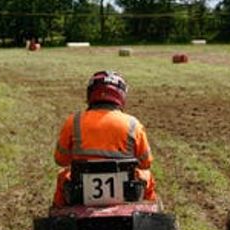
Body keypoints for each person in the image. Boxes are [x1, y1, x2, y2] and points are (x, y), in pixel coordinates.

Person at [52, 70, 157, 207]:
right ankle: (149, 217)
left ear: (90, 94)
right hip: (127, 192)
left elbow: (61, 160)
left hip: (80, 191)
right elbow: (146, 163)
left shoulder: (74, 121)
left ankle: (59, 221)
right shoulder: (133, 124)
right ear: (121, 95)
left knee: (62, 176)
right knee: (147, 176)